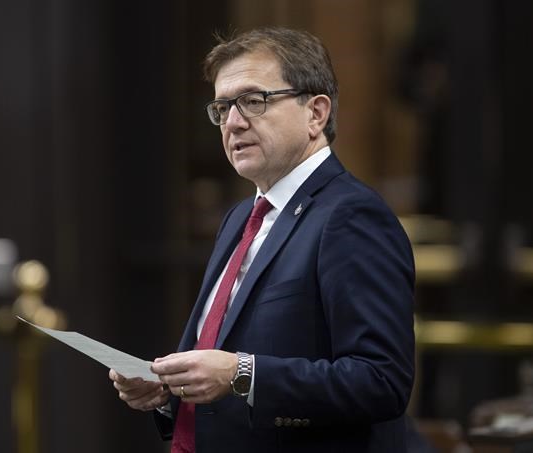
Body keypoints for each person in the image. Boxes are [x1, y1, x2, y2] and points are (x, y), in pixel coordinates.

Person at [109, 27, 415, 453]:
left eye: (254, 101)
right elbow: (225, 367)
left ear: (316, 113)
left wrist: (243, 374)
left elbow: (381, 381)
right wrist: (167, 392)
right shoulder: (240, 217)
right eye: (222, 108)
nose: (234, 122)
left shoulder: (350, 215)